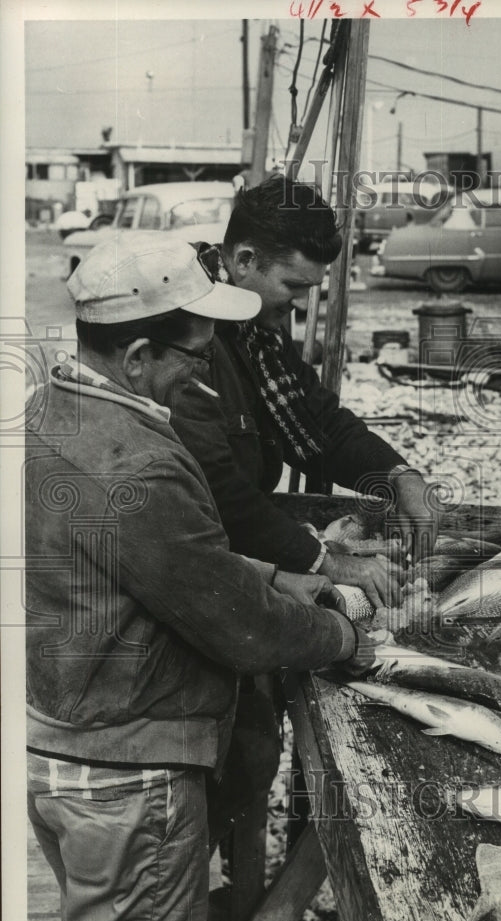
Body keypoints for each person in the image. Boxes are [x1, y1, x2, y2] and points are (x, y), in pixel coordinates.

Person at [25, 231, 373, 921]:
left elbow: (158, 563)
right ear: (139, 356)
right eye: (195, 356)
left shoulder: (47, 409)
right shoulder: (138, 461)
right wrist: (340, 636)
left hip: (67, 759)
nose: (206, 372)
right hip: (131, 783)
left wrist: (274, 578)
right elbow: (241, 631)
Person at [171, 174, 440, 613]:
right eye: (293, 286)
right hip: (198, 569)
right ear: (244, 260)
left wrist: (399, 476)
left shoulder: (259, 333)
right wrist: (323, 559)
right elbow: (215, 486)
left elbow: (321, 421)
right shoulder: (189, 338)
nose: (298, 302)